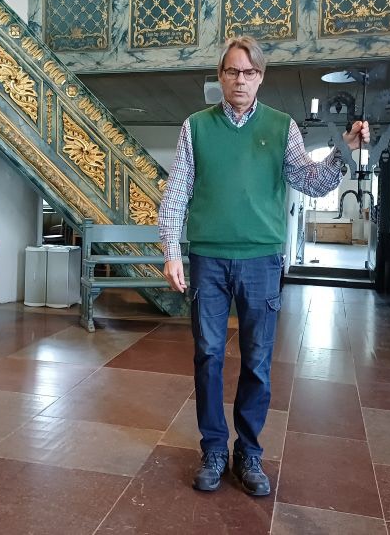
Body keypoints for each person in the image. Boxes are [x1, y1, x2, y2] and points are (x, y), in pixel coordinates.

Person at [158, 36, 369, 496]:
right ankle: (214, 450)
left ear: (260, 77)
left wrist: (344, 151)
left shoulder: (282, 126)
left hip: (261, 260)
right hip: (209, 259)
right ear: (221, 76)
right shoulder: (197, 126)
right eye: (232, 71)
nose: (240, 80)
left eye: (249, 72)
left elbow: (310, 181)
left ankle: (249, 453)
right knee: (208, 356)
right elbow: (177, 191)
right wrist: (172, 250)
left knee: (256, 361)